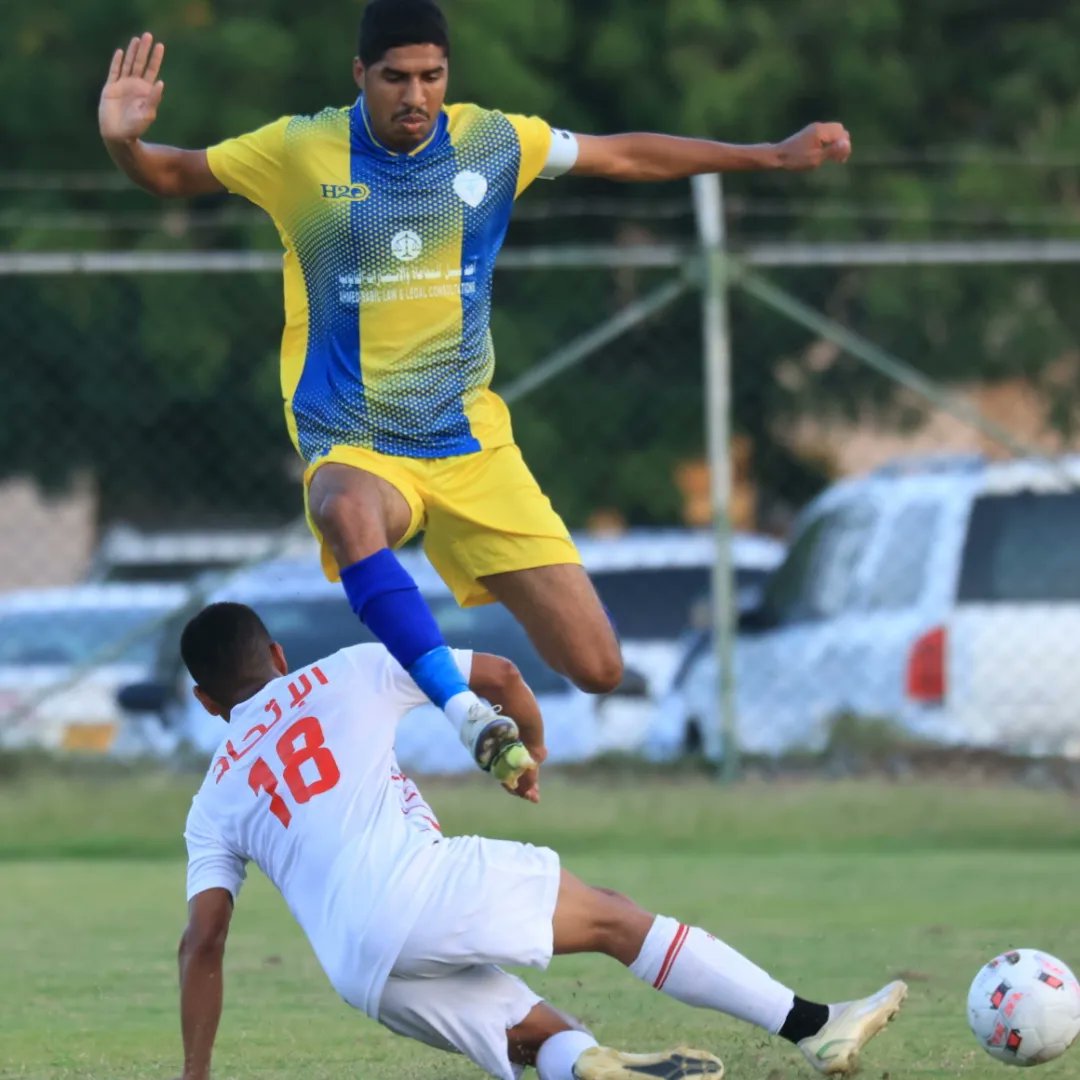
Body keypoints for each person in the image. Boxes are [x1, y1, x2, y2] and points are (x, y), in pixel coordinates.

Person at [99, 0, 853, 791]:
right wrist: (126, 142)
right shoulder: (299, 150)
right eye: (396, 78)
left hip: (470, 446)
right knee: (346, 512)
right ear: (361, 75)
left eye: (432, 76)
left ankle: (476, 668)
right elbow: (171, 173)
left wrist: (772, 155)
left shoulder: (494, 142)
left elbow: (623, 156)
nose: (415, 95)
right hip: (356, 441)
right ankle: (465, 708)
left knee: (595, 667)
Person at [176, 601, 905, 1080]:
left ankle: (589, 1065)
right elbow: (502, 674)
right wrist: (530, 749)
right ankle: (815, 1027)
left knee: (538, 1036)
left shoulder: (212, 799)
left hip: (357, 968)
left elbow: (202, 942)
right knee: (615, 918)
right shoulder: (350, 668)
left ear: (207, 701)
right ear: (277, 654)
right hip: (420, 889)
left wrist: (197, 1075)